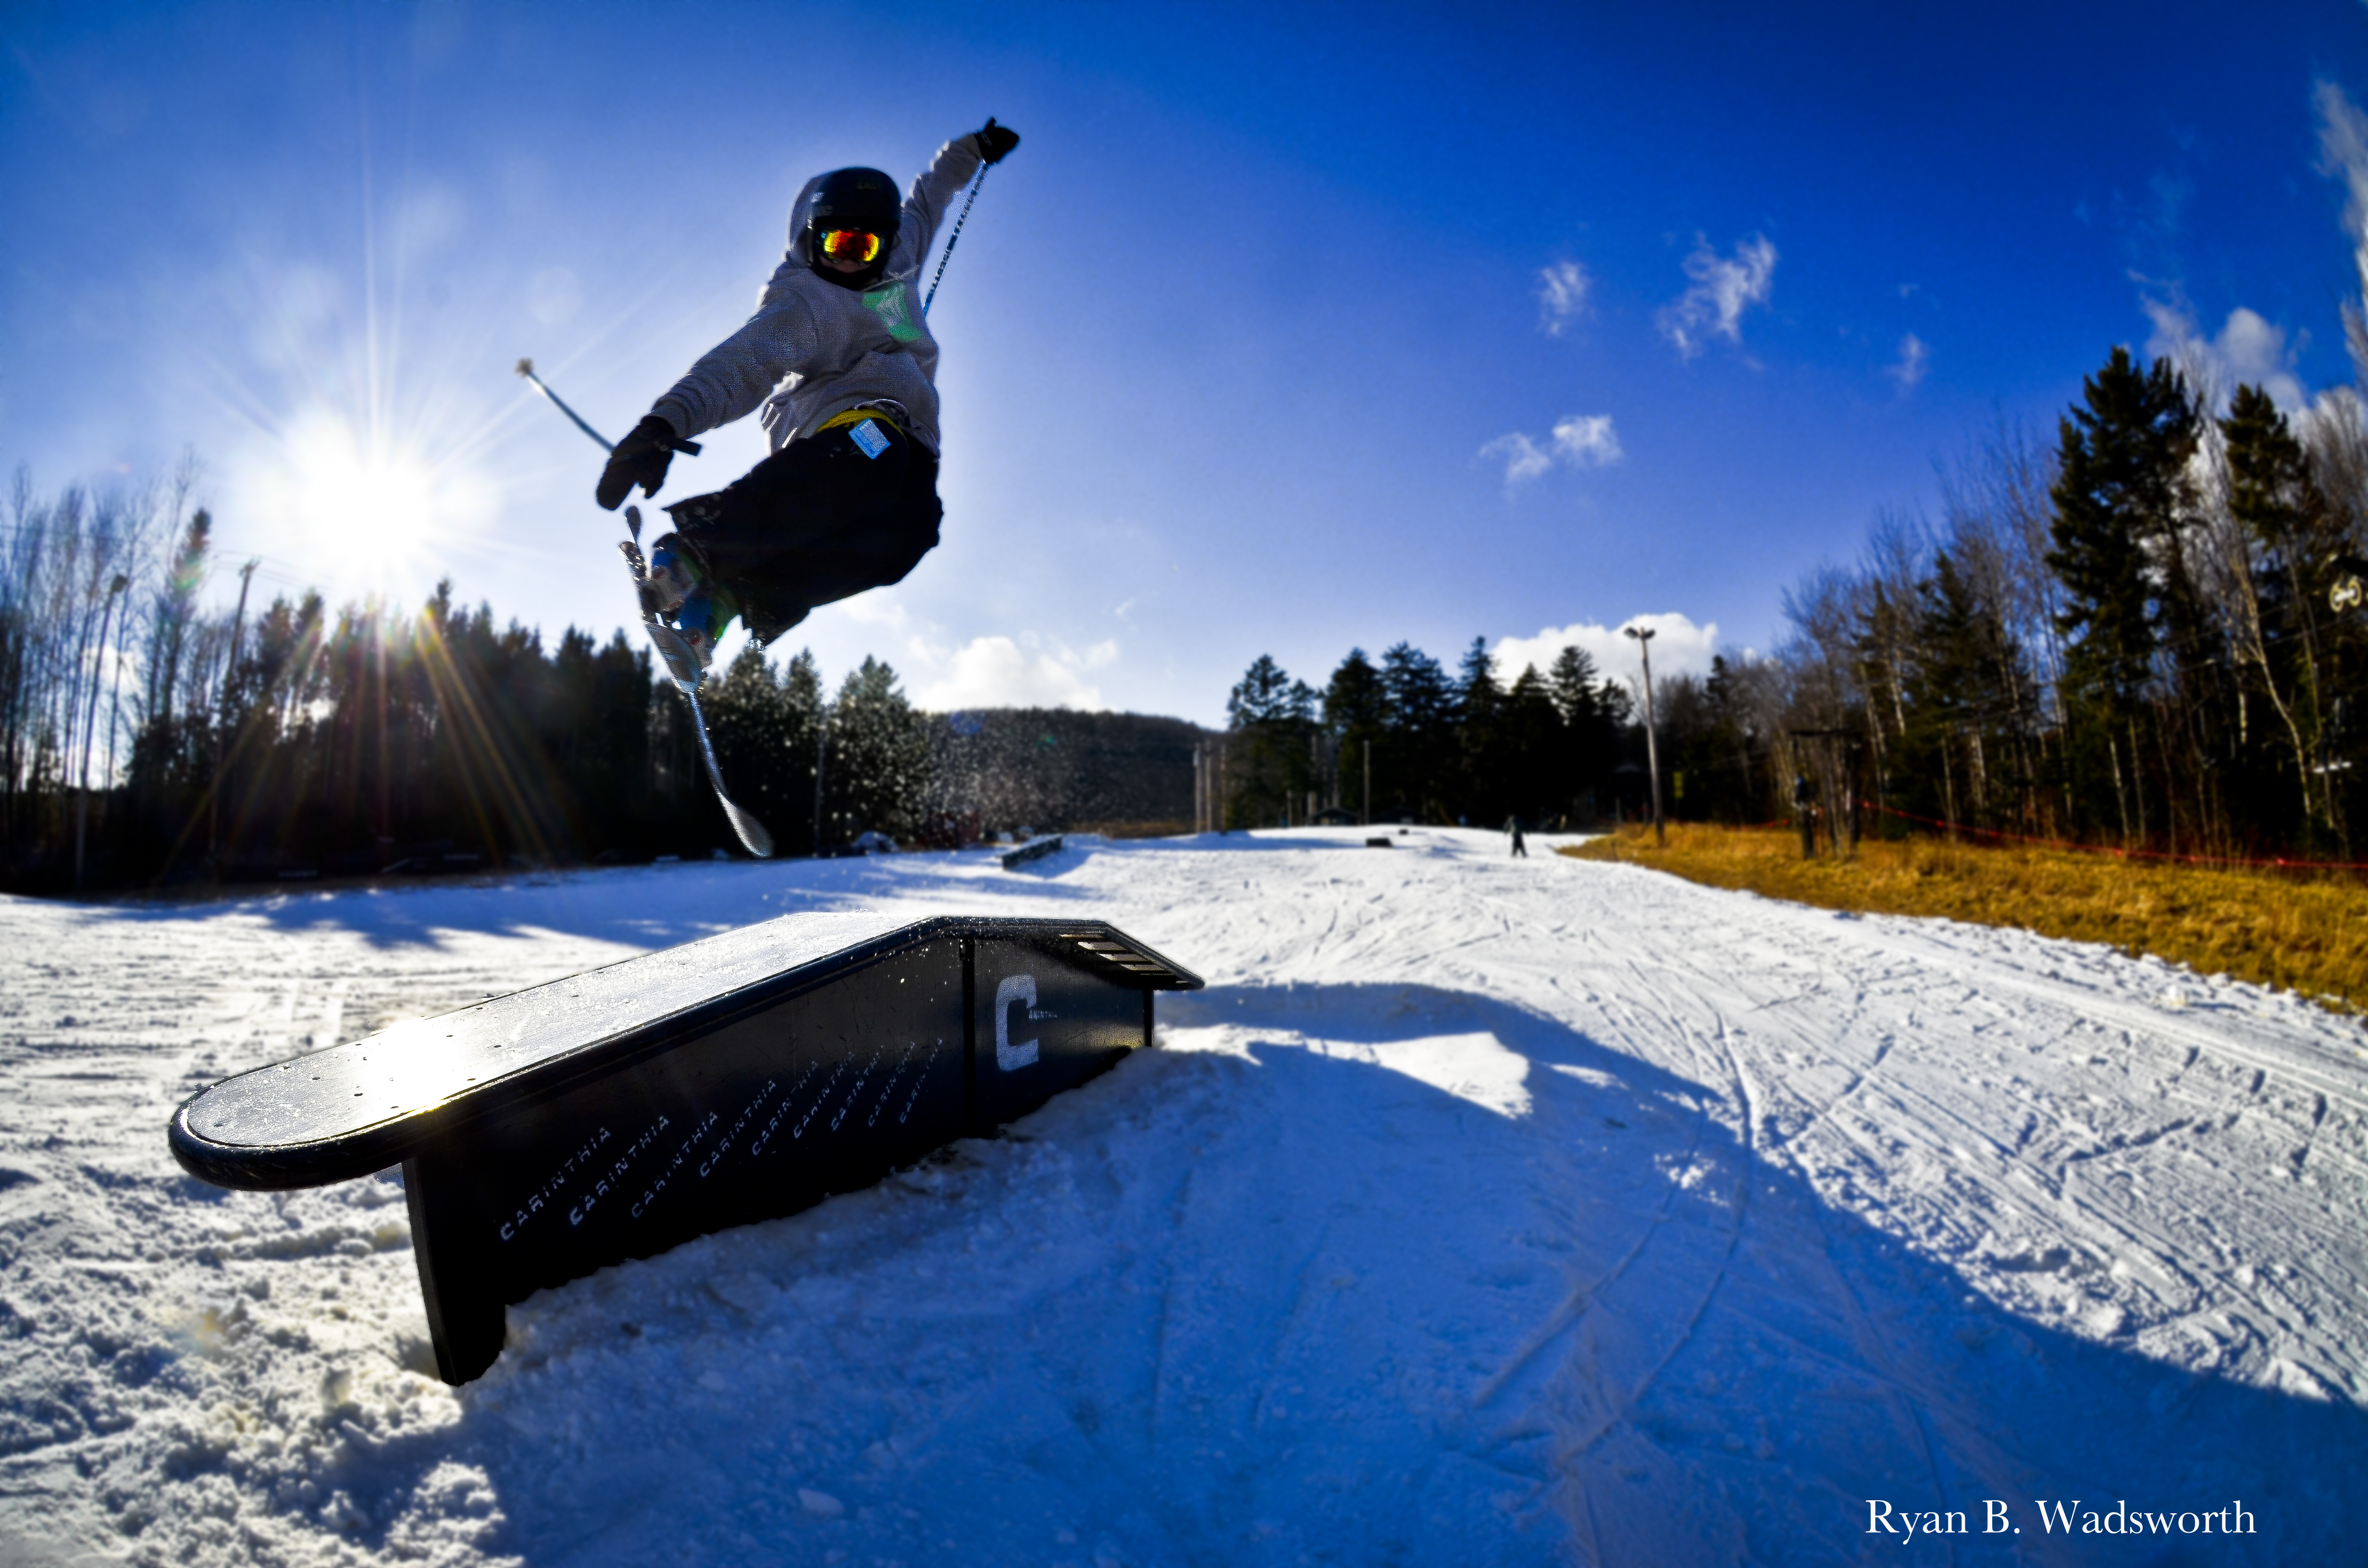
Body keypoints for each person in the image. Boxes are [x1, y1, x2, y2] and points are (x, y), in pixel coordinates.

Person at [596, 118, 1022, 671]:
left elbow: (930, 197)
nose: (848, 257)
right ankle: (700, 548)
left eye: (863, 244)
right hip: (844, 425)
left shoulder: (898, 266)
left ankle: (735, 597)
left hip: (911, 437)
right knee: (875, 450)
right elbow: (740, 366)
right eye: (834, 242)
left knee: (911, 535)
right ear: (809, 237)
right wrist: (663, 425)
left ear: (886, 243)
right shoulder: (807, 303)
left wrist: (972, 150)